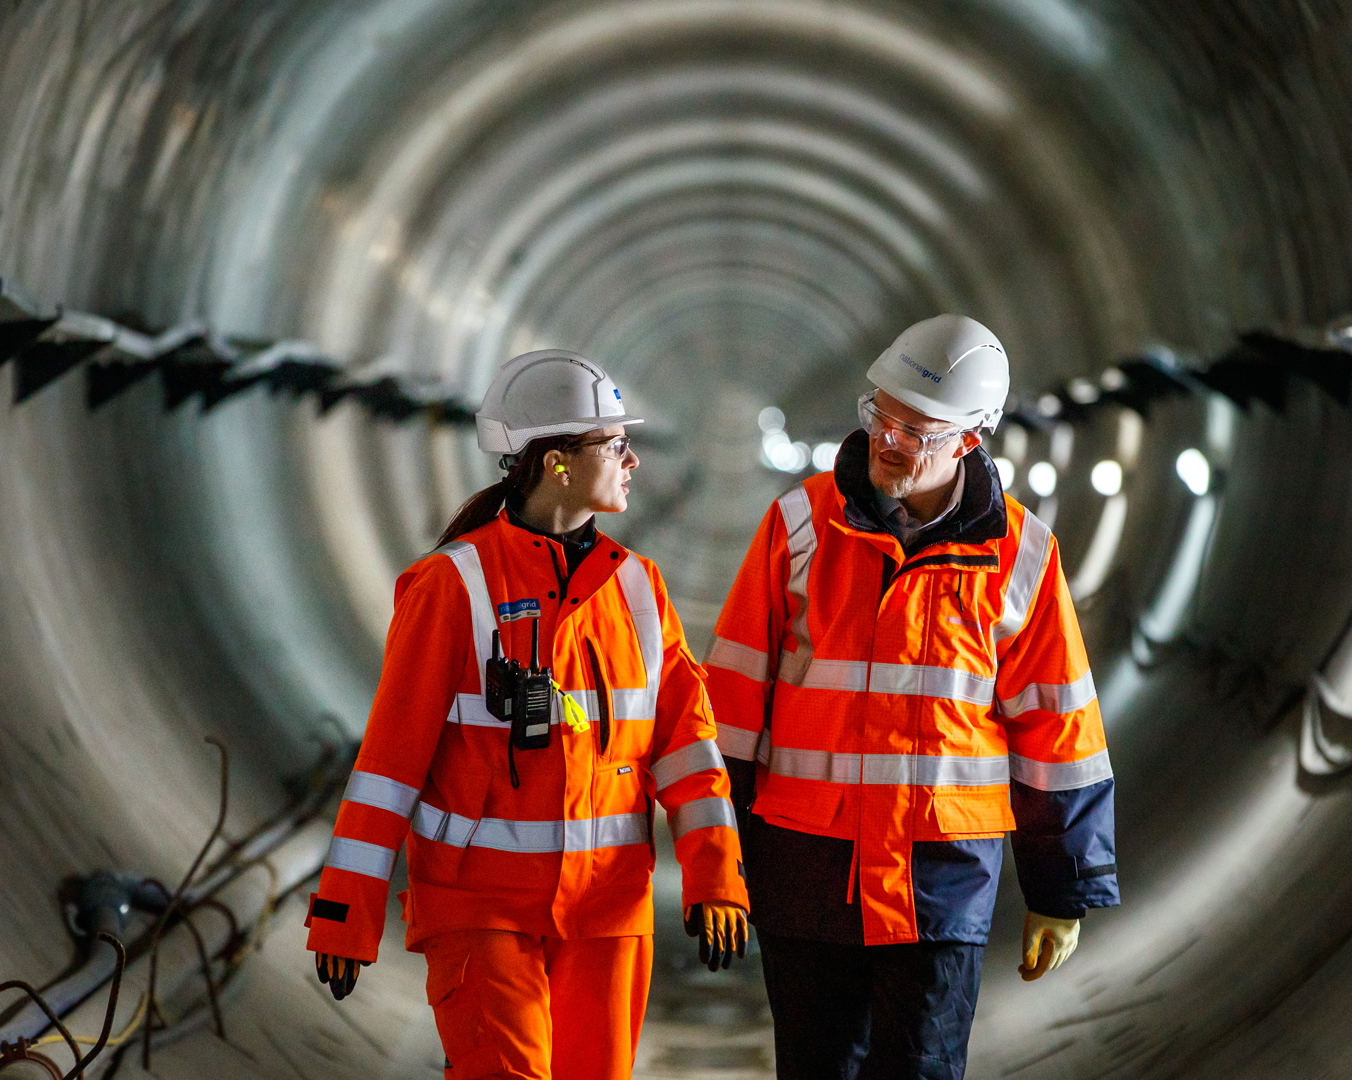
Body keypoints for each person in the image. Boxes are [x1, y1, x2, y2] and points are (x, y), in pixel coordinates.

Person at [305, 349, 750, 1080]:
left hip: (607, 914)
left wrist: (716, 878)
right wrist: (346, 911)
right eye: (613, 443)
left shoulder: (640, 591)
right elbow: (389, 763)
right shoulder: (452, 587)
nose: (634, 458)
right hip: (479, 909)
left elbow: (687, 750)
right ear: (557, 462)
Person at [704, 315, 1118, 1079]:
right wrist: (714, 862)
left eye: (916, 429)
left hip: (941, 877)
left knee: (921, 1069)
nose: (889, 438)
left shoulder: (1020, 555)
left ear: (968, 440)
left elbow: (1059, 730)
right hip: (806, 866)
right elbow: (728, 712)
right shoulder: (800, 526)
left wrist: (1062, 888)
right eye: (880, 415)